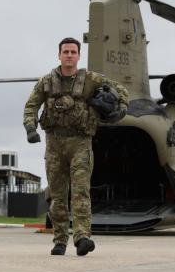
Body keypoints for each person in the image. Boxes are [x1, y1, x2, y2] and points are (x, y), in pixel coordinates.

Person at [23, 37, 129, 256]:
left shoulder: (91, 79)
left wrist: (121, 109)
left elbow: (121, 90)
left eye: (73, 52)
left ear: (78, 56)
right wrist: (30, 128)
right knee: (57, 194)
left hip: (81, 142)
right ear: (59, 55)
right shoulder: (46, 82)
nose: (69, 55)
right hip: (54, 144)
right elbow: (31, 105)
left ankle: (82, 237)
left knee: (81, 191)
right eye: (66, 51)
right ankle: (60, 239)